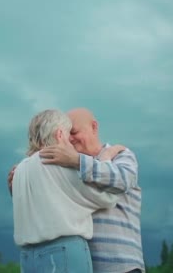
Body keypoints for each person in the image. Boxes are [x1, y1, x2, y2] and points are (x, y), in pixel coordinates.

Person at [9, 108, 145, 273]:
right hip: (82, 262)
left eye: (74, 131)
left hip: (119, 266)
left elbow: (124, 180)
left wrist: (78, 160)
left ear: (94, 127)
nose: (70, 138)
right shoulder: (63, 165)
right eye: (67, 132)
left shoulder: (120, 155)